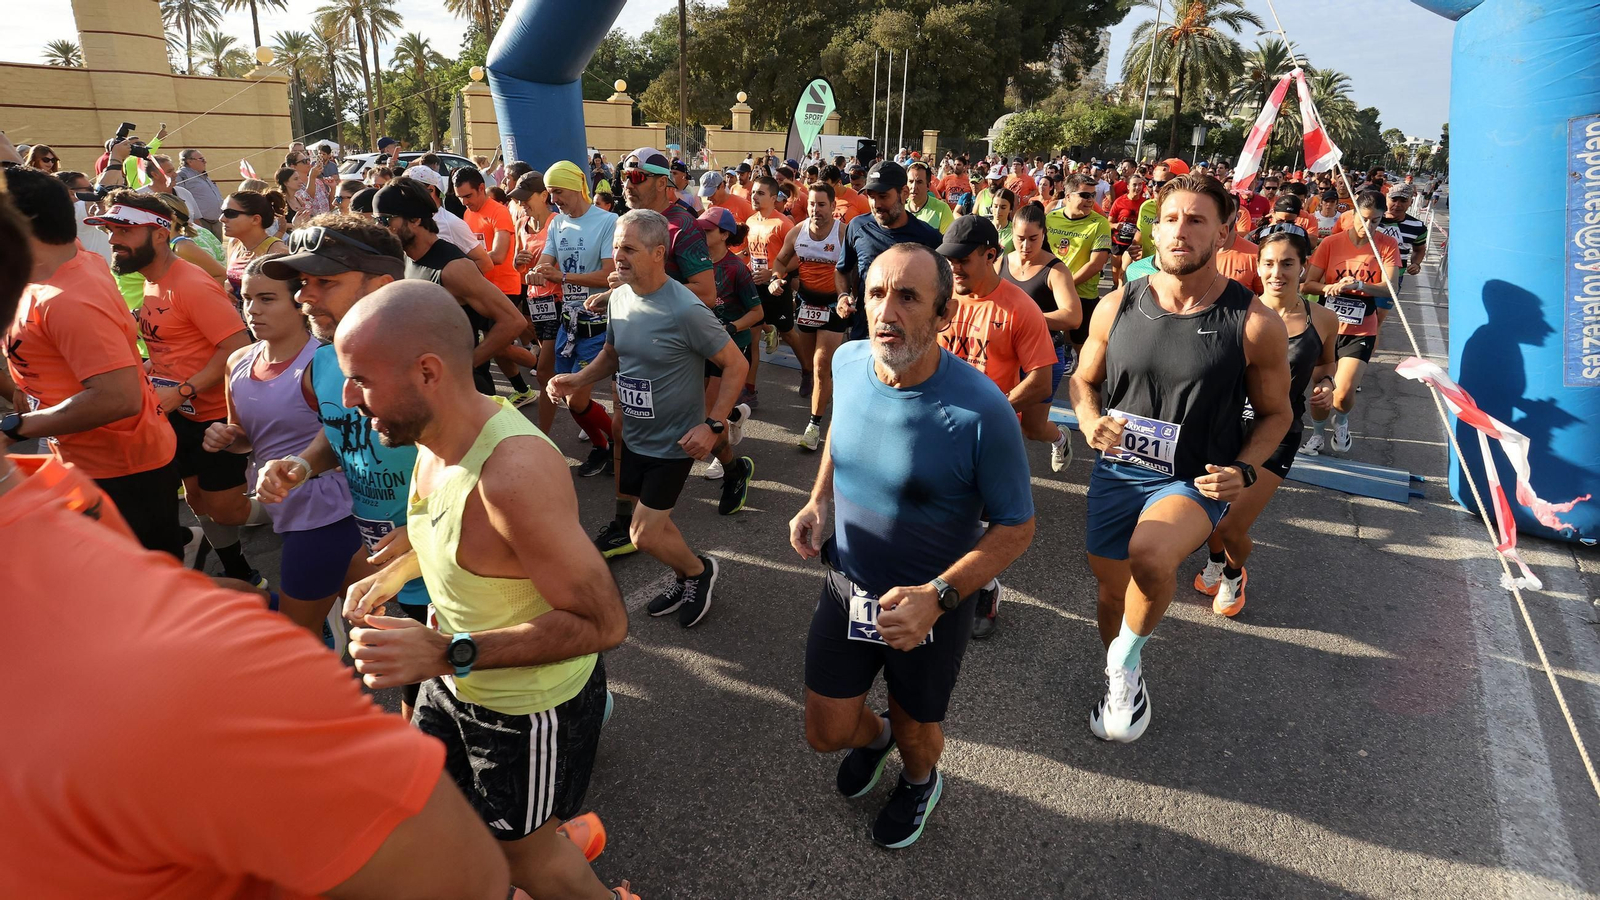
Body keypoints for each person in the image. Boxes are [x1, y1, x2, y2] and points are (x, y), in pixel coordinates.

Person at [330, 281, 636, 900]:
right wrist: (397, 571)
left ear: (427, 372)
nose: (347, 397)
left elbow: (604, 624)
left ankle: (561, 860)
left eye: (360, 378)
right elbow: (459, 541)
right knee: (436, 813)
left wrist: (444, 653)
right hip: (453, 681)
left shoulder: (512, 476)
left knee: (526, 862)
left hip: (525, 710)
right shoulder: (433, 437)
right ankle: (547, 838)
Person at [789, 242, 1035, 848]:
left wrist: (939, 596)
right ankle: (872, 742)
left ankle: (920, 781)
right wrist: (820, 501)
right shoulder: (848, 362)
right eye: (876, 293)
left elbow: (1017, 528)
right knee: (824, 732)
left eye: (908, 296)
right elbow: (840, 435)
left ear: (943, 315)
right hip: (847, 588)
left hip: (927, 611)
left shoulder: (981, 411)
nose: (887, 311)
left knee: (915, 730)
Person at [1069, 173, 1292, 743]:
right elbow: (1083, 381)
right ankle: (1127, 670)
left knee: (1150, 555)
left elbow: (1277, 415)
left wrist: (1243, 470)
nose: (1180, 231)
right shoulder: (1119, 304)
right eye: (1170, 218)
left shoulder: (1254, 322)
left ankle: (1121, 664)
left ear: (1224, 232)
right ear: (1155, 227)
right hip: (1119, 472)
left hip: (1192, 481)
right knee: (1111, 593)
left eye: (1196, 220)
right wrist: (1091, 420)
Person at [546, 209, 748, 629]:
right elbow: (613, 355)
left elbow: (736, 365)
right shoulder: (620, 294)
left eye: (629, 249)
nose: (618, 255)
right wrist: (576, 379)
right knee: (656, 525)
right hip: (635, 437)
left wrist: (712, 425)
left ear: (659, 253)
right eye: (617, 245)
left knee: (645, 534)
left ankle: (698, 571)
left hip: (675, 442)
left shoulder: (685, 309)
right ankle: (686, 573)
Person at [2, 168, 180, 556]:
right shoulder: (62, 265)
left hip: (122, 469)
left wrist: (14, 428)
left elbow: (118, 398)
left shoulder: (69, 300)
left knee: (144, 590)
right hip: (85, 458)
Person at [92, 191, 264, 584]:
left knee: (228, 510)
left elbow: (238, 347)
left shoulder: (190, 283)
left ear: (158, 233)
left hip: (213, 416)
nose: (114, 239)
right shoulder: (152, 282)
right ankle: (240, 571)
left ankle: (313, 512)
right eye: (110, 230)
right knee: (200, 501)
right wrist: (154, 367)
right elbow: (174, 344)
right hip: (176, 413)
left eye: (124, 230)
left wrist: (184, 389)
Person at [203, 257, 363, 632]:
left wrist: (305, 466)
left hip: (326, 515)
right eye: (246, 299)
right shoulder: (238, 361)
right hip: (285, 512)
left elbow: (349, 442)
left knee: (296, 636)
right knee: (369, 613)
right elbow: (244, 436)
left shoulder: (323, 363)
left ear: (299, 304)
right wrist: (226, 438)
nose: (252, 310)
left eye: (267, 299)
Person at [1194, 231, 1337, 615]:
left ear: (1303, 265)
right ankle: (1215, 560)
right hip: (1224, 428)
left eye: (1287, 263)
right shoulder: (1238, 312)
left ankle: (1233, 574)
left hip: (1278, 434)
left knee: (1230, 526)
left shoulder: (1322, 318)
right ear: (1258, 267)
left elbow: (1325, 364)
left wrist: (1326, 383)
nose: (1277, 272)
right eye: (1269, 263)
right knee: (1210, 515)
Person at [934, 215, 1057, 639]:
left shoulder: (1021, 308)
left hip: (990, 434)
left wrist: (995, 410)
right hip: (940, 425)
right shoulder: (944, 297)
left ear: (991, 255)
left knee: (986, 523)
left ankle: (986, 587)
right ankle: (951, 578)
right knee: (943, 512)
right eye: (948, 261)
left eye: (963, 260)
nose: (954, 269)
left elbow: (1041, 380)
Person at [373, 178, 527, 399]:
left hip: (465, 396)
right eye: (378, 220)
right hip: (432, 393)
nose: (381, 228)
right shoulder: (407, 257)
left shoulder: (454, 268)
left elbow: (513, 321)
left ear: (415, 219)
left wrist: (465, 366)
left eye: (386, 220)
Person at [530, 161, 620, 478]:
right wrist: (534, 270)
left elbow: (611, 275)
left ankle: (619, 446)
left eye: (558, 192)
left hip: (599, 322)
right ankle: (602, 447)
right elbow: (545, 264)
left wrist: (564, 275)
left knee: (578, 395)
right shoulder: (557, 224)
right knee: (566, 395)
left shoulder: (608, 221)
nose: (554, 199)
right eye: (551, 193)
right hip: (569, 322)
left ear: (575, 187)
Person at [1300, 189, 1400, 456]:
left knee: (1341, 394)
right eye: (1364, 218)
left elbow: (1390, 287)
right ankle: (1318, 434)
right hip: (1327, 328)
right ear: (1353, 214)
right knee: (1321, 391)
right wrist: (1328, 288)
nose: (1368, 226)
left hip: (1361, 328)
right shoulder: (1331, 243)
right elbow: (1308, 283)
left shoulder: (1386, 246)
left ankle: (1342, 421)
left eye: (1376, 221)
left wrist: (1360, 285)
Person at [1002, 202, 1081, 472]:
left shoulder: (1055, 270)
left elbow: (1073, 317)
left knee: (1033, 429)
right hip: (1005, 352)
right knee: (1001, 416)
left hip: (1044, 355)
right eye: (1020, 238)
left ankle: (1059, 438)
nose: (1025, 246)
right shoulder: (1001, 261)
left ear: (1044, 234)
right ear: (1011, 232)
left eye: (1033, 239)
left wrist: (1028, 318)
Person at [769, 180, 846, 451]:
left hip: (834, 305)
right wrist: (776, 279)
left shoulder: (842, 233)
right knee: (815, 367)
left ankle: (814, 425)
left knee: (822, 363)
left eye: (822, 204)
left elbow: (855, 270)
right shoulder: (798, 231)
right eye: (812, 203)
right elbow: (780, 261)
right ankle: (828, 391)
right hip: (806, 303)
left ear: (833, 206)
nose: (816, 209)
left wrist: (850, 297)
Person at [454, 166, 539, 407]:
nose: (465, 202)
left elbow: (500, 255)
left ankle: (546, 370)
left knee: (497, 346)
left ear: (482, 188)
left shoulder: (498, 212)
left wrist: (463, 265)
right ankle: (523, 390)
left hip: (504, 287)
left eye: (468, 196)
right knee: (497, 347)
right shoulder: (467, 214)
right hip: (479, 288)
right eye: (460, 197)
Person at [834, 161, 944, 342]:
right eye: (871, 196)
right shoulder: (857, 227)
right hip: (865, 334)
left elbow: (942, 289)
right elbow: (842, 270)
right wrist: (843, 296)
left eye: (883, 196)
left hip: (909, 340)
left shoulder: (929, 238)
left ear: (904, 193)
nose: (876, 204)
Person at [508, 171, 564, 436]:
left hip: (559, 302)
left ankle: (543, 435)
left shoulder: (559, 223)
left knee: (544, 373)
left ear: (544, 196)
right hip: (535, 302)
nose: (522, 204)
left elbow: (569, 264)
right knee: (553, 371)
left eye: (526, 198)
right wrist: (518, 263)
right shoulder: (522, 224)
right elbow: (521, 268)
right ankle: (586, 412)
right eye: (518, 200)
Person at [1044, 173, 1113, 363]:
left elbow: (1096, 264)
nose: (1091, 200)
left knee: (1084, 355)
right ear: (1068, 197)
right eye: (1085, 195)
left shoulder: (1100, 223)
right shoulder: (1051, 218)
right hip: (1050, 290)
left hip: (1083, 293)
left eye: (1093, 195)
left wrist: (1064, 286)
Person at [221, 190, 286, 302]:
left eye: (230, 213)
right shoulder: (234, 244)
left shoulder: (277, 252)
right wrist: (227, 289)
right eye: (222, 212)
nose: (222, 218)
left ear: (255, 219)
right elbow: (230, 280)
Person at [1376, 183, 1428, 290]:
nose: (1397, 204)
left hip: (1394, 276)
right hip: (1367, 272)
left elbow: (1419, 250)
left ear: (1411, 202)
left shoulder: (1417, 227)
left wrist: (1416, 264)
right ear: (1387, 199)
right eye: (1394, 200)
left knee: (1383, 307)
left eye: (1403, 201)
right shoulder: (1372, 219)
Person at [174, 148, 223, 238]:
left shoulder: (203, 175)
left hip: (216, 222)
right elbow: (179, 200)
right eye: (201, 159)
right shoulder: (181, 176)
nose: (205, 162)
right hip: (200, 223)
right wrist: (194, 220)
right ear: (190, 161)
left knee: (217, 250)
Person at [905, 162, 953, 234]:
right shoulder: (900, 207)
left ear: (928, 186)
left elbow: (948, 241)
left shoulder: (942, 209)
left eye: (919, 182)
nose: (914, 187)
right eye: (911, 181)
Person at [989, 187, 1017, 254]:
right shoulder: (984, 227)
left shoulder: (1015, 231)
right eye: (995, 206)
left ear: (1010, 209)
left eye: (1003, 207)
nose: (998, 211)